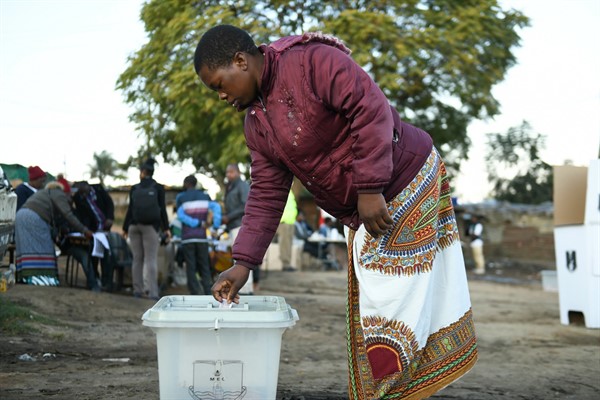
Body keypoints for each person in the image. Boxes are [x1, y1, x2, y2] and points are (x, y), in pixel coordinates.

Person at [195, 25, 477, 399]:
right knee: (377, 301)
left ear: (240, 61)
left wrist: (370, 187)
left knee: (389, 296)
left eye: (219, 84)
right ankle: (392, 390)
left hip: (405, 177)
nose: (220, 96)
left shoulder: (311, 62)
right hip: (365, 203)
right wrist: (243, 263)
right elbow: (266, 192)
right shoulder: (256, 125)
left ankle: (394, 390)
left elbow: (369, 106)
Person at [14, 181, 93, 286]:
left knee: (27, 248)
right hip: (34, 219)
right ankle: (43, 279)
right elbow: (68, 215)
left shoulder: (45, 192)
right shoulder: (58, 194)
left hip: (21, 217)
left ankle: (27, 277)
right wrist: (84, 230)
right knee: (44, 248)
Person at [122, 158, 171, 300]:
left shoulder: (135, 188)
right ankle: (153, 292)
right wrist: (166, 228)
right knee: (150, 259)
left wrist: (125, 228)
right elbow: (162, 209)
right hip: (150, 227)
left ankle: (137, 290)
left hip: (133, 226)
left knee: (137, 259)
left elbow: (130, 209)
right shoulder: (158, 188)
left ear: (143, 172)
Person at [72, 180, 116, 291]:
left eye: (84, 192)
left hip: (104, 227)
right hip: (93, 230)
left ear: (88, 186)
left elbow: (109, 203)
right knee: (93, 252)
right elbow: (82, 214)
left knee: (107, 254)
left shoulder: (98, 189)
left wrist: (110, 217)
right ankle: (95, 278)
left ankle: (107, 282)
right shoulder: (78, 197)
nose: (83, 195)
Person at [175, 174, 214, 295]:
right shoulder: (205, 196)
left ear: (186, 184)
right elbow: (211, 214)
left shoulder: (181, 197)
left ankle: (195, 292)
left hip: (188, 238)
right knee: (204, 266)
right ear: (195, 183)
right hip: (202, 238)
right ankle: (208, 292)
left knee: (191, 267)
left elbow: (180, 216)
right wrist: (206, 224)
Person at [221, 163, 252, 293]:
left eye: (231, 172)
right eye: (227, 172)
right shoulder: (231, 186)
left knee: (242, 259)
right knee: (237, 258)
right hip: (233, 226)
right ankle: (241, 288)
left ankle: (247, 290)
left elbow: (246, 205)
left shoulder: (242, 185)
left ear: (238, 172)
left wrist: (229, 217)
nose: (229, 175)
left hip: (240, 225)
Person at [277, 190, 298, 272]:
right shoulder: (282, 189)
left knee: (288, 244)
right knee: (284, 244)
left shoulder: (290, 191)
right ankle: (285, 264)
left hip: (290, 222)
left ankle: (288, 263)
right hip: (284, 222)